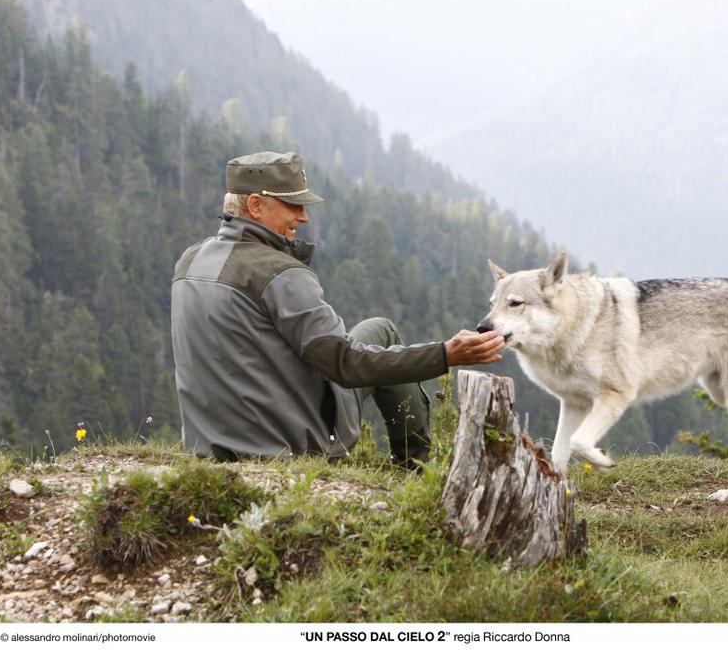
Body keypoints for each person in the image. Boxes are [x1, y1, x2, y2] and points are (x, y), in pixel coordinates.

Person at [171, 151, 505, 468]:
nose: (303, 216)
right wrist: (445, 354)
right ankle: (415, 470)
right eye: (293, 205)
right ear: (256, 205)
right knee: (383, 331)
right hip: (290, 447)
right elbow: (346, 364)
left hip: (207, 449)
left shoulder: (189, 261)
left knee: (371, 334)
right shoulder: (281, 274)